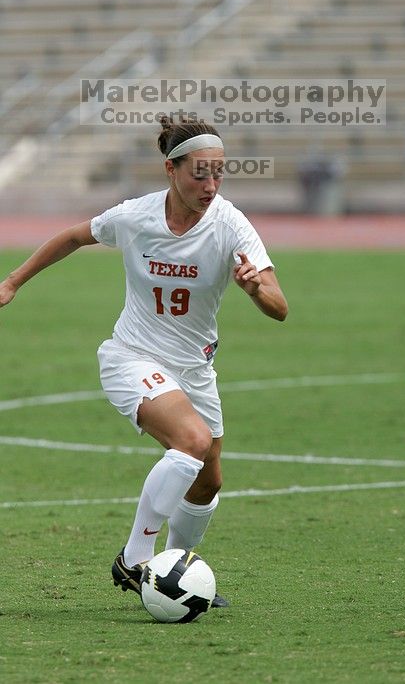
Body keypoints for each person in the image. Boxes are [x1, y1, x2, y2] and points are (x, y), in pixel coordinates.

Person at [0, 118, 288, 607]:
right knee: (192, 442)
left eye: (219, 174)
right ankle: (135, 558)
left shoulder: (231, 224)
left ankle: (173, 569)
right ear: (171, 170)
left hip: (194, 368)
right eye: (200, 174)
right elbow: (73, 237)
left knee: (209, 478)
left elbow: (280, 308)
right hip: (131, 356)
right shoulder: (135, 216)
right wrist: (12, 282)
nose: (211, 186)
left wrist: (257, 288)